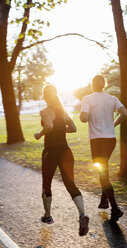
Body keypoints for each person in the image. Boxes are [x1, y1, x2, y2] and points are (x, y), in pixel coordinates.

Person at [34, 84, 89, 236]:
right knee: (70, 184)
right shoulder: (62, 112)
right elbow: (73, 128)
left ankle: (48, 216)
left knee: (47, 184)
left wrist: (39, 133)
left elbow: (49, 125)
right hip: (66, 151)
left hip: (50, 152)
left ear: (45, 96)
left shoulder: (45, 111)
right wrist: (61, 128)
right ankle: (82, 215)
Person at [80, 75, 127, 222]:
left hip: (97, 141)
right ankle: (103, 200)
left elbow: (83, 118)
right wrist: (113, 124)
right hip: (110, 140)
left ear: (92, 85)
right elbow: (124, 114)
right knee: (104, 170)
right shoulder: (112, 98)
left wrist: (85, 114)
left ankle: (115, 208)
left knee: (103, 174)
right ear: (104, 85)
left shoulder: (87, 99)